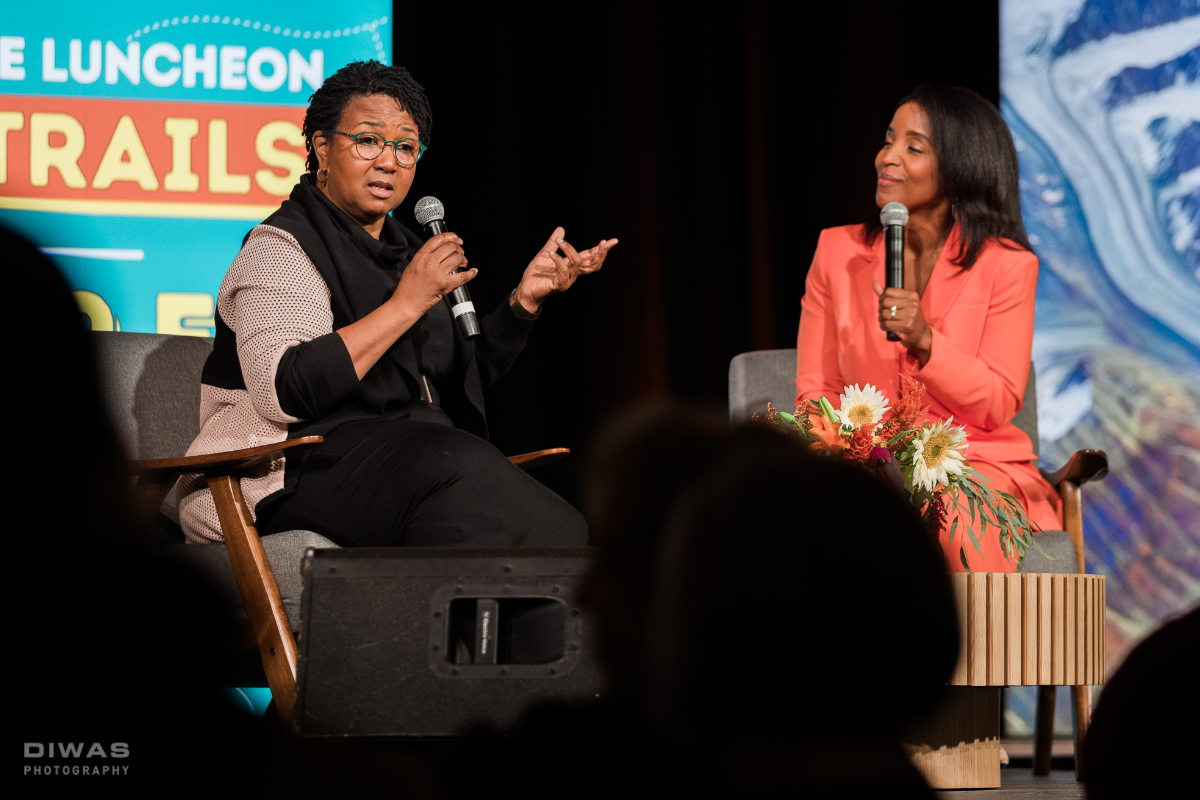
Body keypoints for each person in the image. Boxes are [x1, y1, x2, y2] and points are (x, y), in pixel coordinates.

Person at [178, 61, 615, 548]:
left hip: (410, 456)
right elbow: (287, 390)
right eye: (367, 140)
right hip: (286, 465)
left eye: (405, 148)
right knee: (462, 471)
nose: (388, 161)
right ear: (322, 147)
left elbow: (451, 377)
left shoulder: (408, 250)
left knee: (565, 532)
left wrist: (522, 303)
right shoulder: (281, 247)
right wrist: (407, 302)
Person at [795, 84, 1059, 572]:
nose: (886, 158)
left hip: (969, 465)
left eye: (913, 148)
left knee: (955, 519)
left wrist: (925, 341)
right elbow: (817, 394)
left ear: (961, 169)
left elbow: (998, 401)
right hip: (866, 464)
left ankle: (972, 649)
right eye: (888, 140)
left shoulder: (1007, 265)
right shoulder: (836, 252)